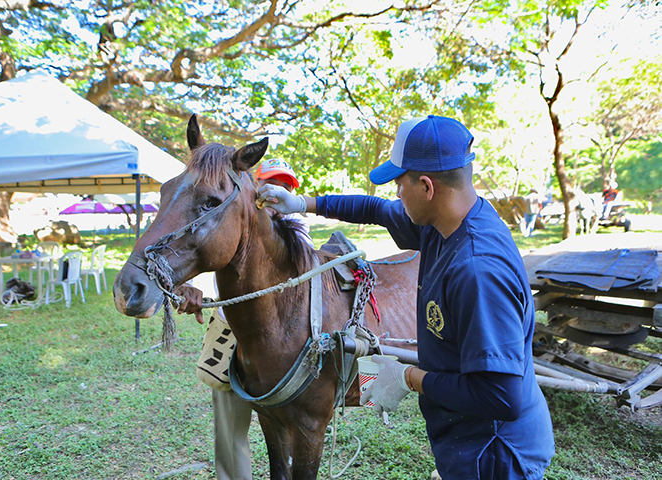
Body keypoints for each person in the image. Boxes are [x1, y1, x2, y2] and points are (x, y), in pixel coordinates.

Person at [257, 115, 555, 479]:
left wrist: (407, 377)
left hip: (494, 453)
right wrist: (301, 203)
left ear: (427, 187)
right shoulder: (445, 221)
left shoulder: (478, 272)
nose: (396, 194)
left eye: (400, 184)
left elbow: (500, 398)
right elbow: (375, 209)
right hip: (463, 438)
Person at [174, 158, 310, 480]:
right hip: (230, 337)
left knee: (287, 424)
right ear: (253, 186)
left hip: (280, 340)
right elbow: (203, 254)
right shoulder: (229, 219)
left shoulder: (297, 228)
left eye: (286, 186)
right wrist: (186, 287)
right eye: (271, 184)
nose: (278, 192)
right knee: (230, 431)